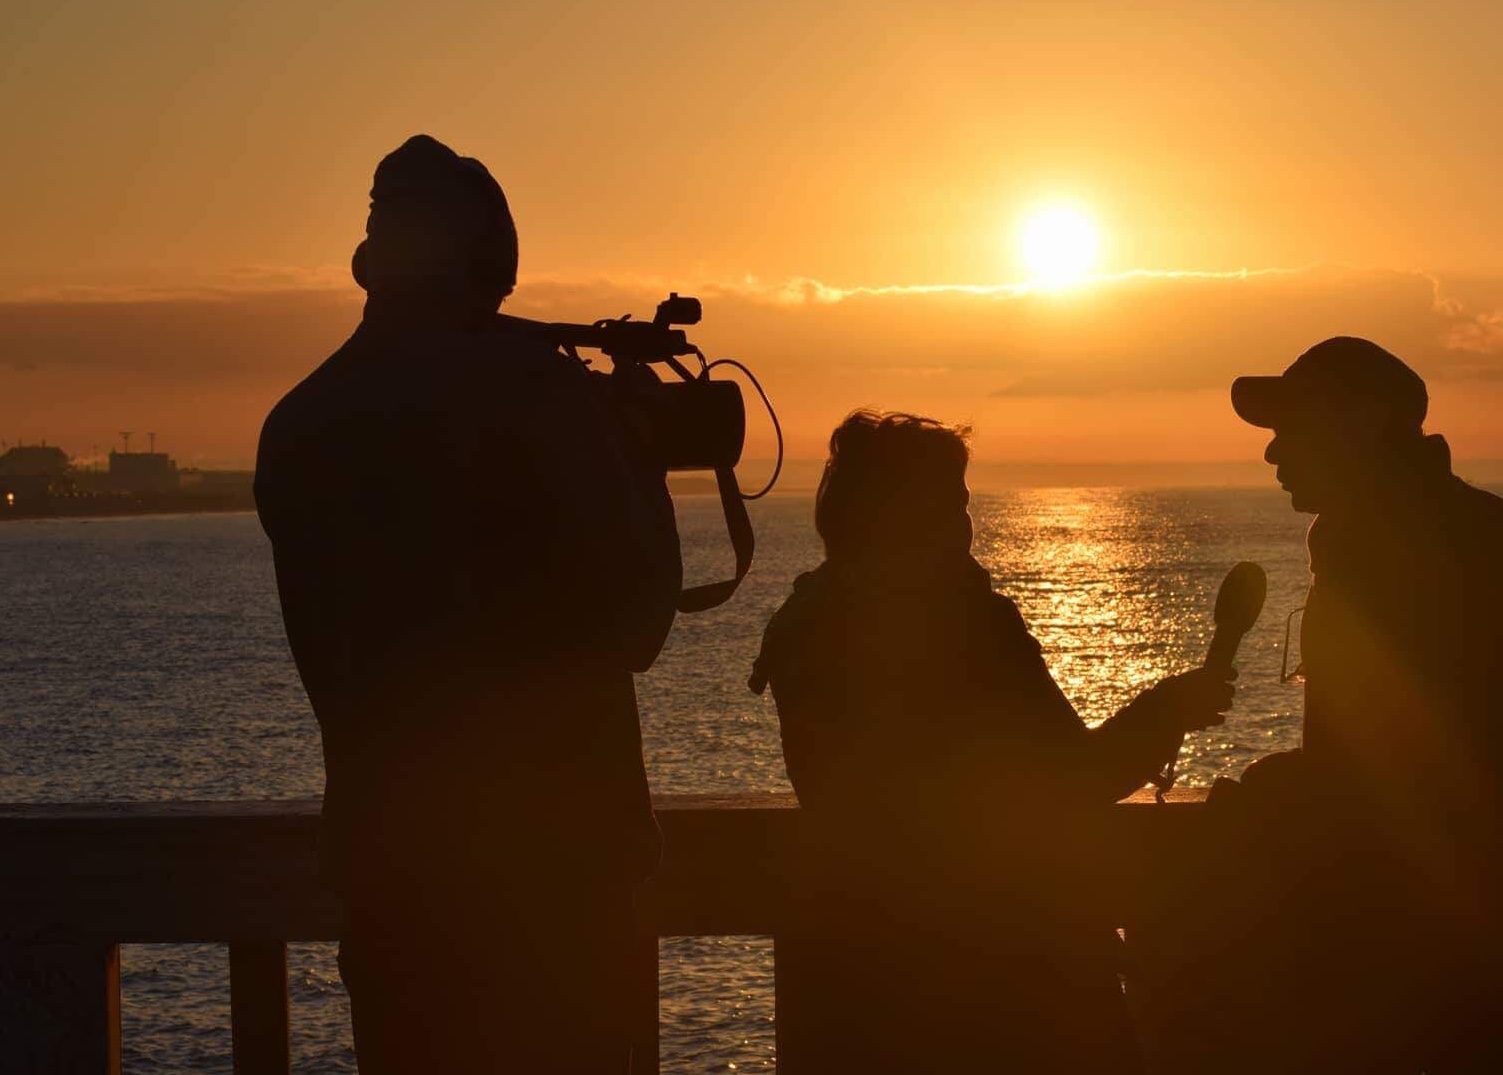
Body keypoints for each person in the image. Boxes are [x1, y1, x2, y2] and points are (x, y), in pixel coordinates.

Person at [254, 135, 682, 1073]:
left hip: (393, 877)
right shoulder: (543, 395)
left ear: (371, 264)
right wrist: (640, 458)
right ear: (493, 261)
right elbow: (640, 619)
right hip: (561, 888)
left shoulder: (300, 420)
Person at [747, 410, 1234, 1074]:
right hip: (1007, 971)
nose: (964, 525)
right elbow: (1073, 776)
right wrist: (1168, 709)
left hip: (861, 966)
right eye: (953, 504)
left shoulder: (803, 620)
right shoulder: (968, 621)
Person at [1220, 337, 1503, 1072]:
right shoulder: (1480, 525)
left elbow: (1400, 750)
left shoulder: (1373, 541)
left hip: (1401, 928)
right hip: (1474, 909)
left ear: (1362, 421)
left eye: (1292, 427)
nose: (1273, 452)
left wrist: (1273, 793)